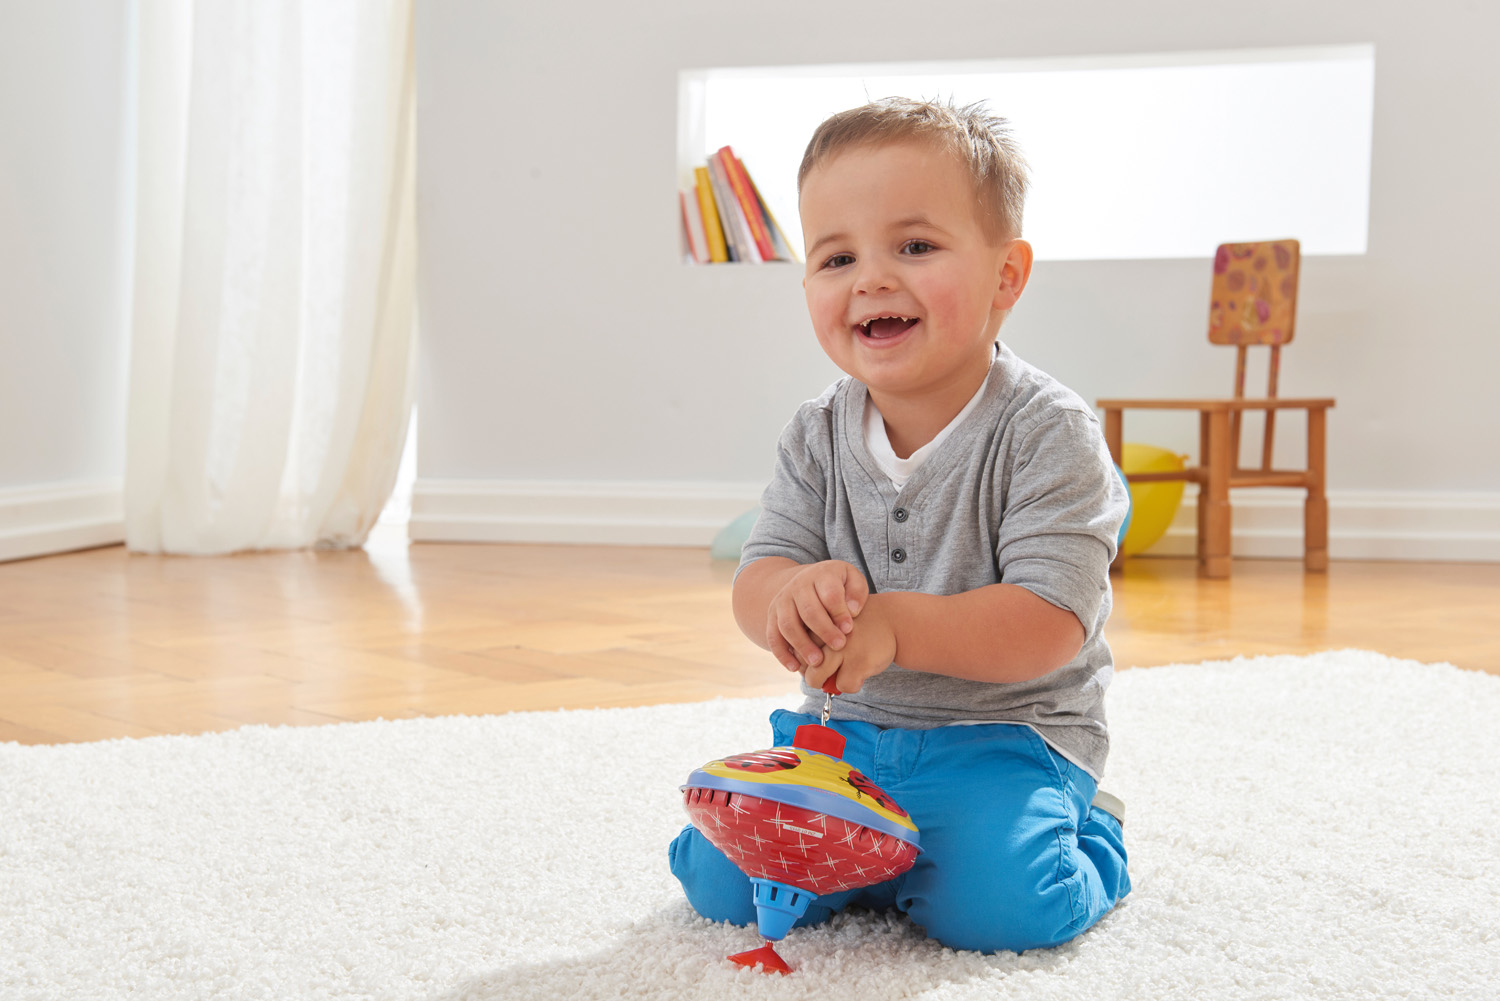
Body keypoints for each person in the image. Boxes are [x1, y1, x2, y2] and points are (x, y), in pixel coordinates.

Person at [669, 97, 1131, 953]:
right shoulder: (816, 431)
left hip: (1006, 743)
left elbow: (1047, 623)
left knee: (1000, 910)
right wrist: (787, 598)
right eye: (837, 257)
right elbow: (759, 573)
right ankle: (885, 860)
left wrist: (893, 625)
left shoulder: (1047, 431)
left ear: (1006, 276)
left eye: (914, 247)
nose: (872, 278)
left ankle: (1090, 832)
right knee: (720, 881)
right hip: (841, 736)